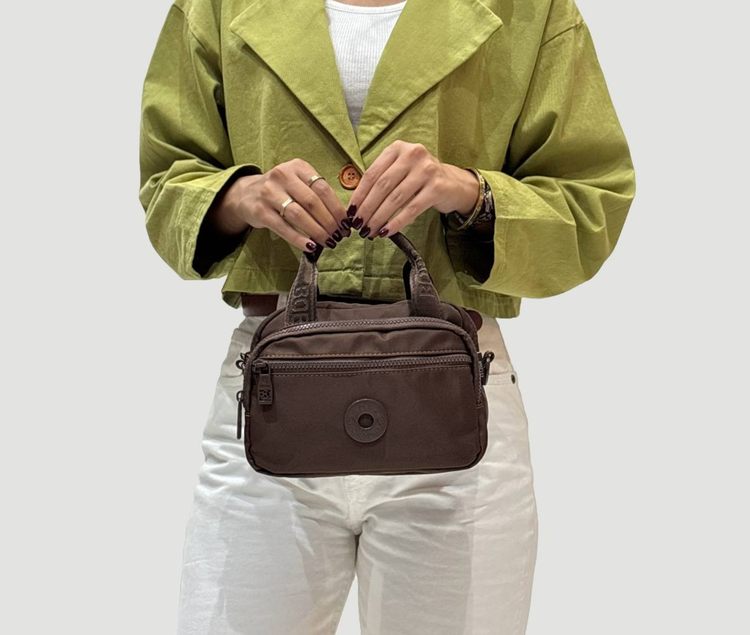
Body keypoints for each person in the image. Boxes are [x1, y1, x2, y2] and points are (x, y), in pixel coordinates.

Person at [138, 0, 636, 632]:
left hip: (452, 397)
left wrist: (471, 193)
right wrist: (242, 195)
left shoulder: (530, 10)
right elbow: (166, 179)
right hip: (274, 391)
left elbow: (591, 200)